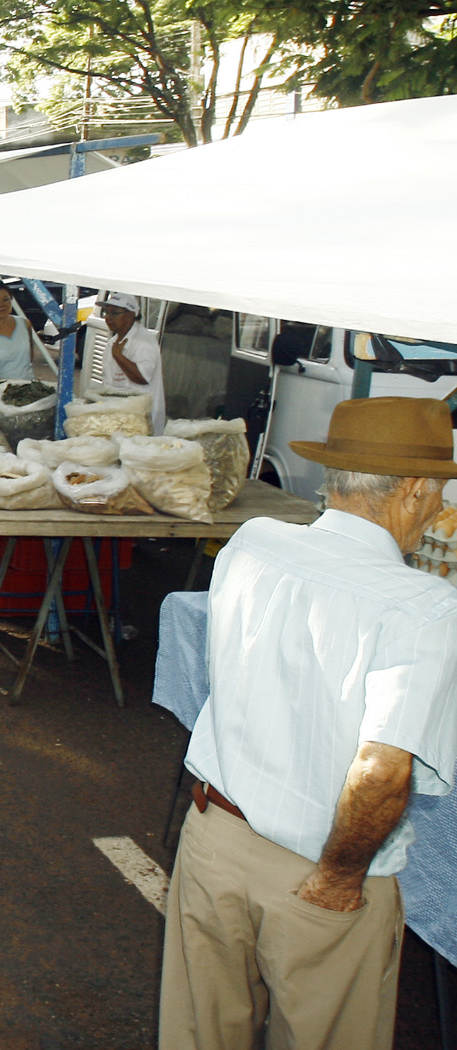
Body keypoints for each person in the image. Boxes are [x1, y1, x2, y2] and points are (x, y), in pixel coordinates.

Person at [159, 396, 457, 1050]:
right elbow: (381, 771)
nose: (440, 509)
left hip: (214, 837)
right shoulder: (426, 606)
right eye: (439, 492)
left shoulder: (253, 541)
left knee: (197, 1034)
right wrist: (339, 877)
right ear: (409, 490)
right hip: (321, 870)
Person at [100, 290, 165, 433]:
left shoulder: (144, 341)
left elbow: (142, 377)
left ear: (131, 315)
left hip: (141, 424)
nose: (108, 318)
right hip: (120, 420)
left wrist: (118, 356)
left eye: (115, 313)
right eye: (107, 312)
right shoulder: (113, 342)